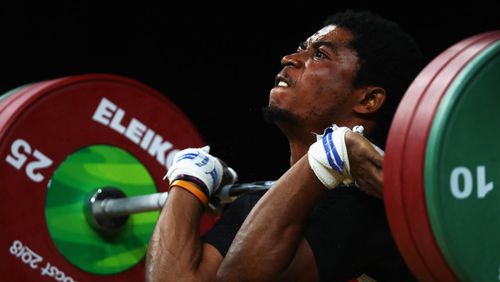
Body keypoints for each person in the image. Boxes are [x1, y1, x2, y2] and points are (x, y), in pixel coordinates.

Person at [145, 9, 424, 282]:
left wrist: (327, 157)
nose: (289, 58)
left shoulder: (371, 204)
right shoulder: (256, 207)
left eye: (319, 54)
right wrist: (188, 182)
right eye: (301, 48)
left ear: (368, 100)